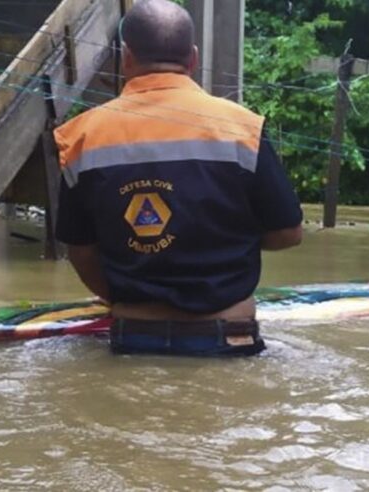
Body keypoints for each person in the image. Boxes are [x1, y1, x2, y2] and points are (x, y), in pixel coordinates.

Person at [54, 0, 303, 356]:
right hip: (230, 336)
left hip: (133, 337)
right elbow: (289, 233)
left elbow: (80, 251)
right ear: (194, 58)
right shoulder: (243, 129)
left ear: (125, 57)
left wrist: (126, 291)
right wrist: (225, 237)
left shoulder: (80, 137)